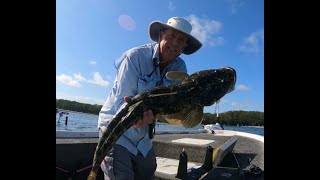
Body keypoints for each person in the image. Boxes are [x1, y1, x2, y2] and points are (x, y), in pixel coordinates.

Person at [97, 16, 202, 180]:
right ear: (161, 35)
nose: (175, 43)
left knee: (147, 173)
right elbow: (120, 102)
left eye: (181, 40)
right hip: (116, 131)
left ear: (184, 46)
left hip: (143, 137)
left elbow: (173, 107)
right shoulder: (134, 57)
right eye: (172, 36)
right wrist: (134, 118)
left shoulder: (180, 67)